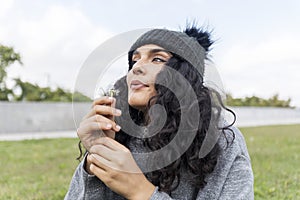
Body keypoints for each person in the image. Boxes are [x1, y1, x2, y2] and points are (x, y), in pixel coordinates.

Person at [65, 25, 254, 200]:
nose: (136, 67)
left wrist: (141, 191)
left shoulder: (222, 140)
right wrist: (95, 160)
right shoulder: (118, 132)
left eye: (157, 59)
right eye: (134, 60)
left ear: (184, 76)